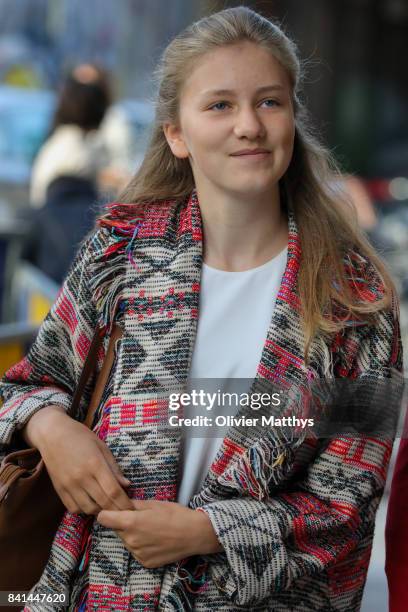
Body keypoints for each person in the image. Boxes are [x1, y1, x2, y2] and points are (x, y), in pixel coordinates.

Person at [0, 7, 403, 611]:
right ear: (176, 134)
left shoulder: (354, 301)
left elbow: (347, 503)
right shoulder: (121, 255)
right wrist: (53, 429)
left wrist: (208, 532)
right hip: (99, 593)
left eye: (270, 102)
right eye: (219, 105)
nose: (249, 126)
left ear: (293, 116)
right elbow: (23, 388)